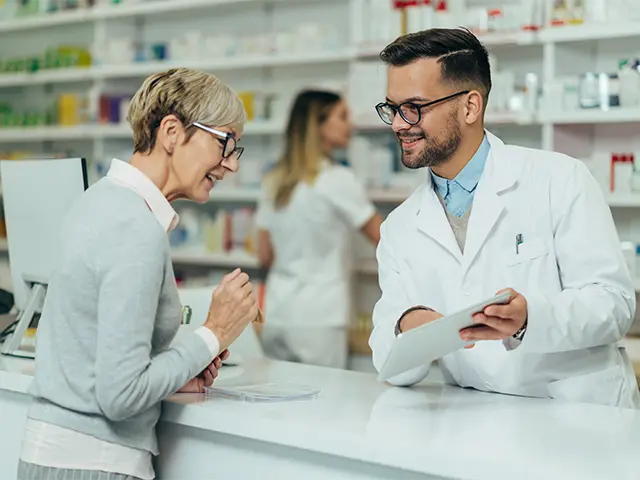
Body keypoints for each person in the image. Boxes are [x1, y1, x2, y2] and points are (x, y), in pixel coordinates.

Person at [368, 28, 640, 408]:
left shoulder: (559, 179)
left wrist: (530, 317)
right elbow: (388, 364)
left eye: (414, 107)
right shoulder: (399, 226)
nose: (398, 124)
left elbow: (614, 305)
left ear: (470, 106)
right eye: (392, 108)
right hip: (478, 421)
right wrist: (407, 325)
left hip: (578, 419)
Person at [18, 68, 259, 480]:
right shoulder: (135, 228)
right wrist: (214, 332)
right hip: (95, 464)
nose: (231, 165)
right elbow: (121, 396)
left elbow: (99, 363)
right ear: (171, 132)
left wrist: (181, 368)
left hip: (54, 458)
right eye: (225, 143)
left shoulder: (98, 201)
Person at [256, 90, 383, 369]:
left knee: (279, 407)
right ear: (319, 125)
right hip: (319, 320)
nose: (350, 125)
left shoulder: (274, 179)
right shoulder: (337, 179)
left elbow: (264, 255)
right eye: (342, 116)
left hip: (277, 314)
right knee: (321, 407)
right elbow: (385, 240)